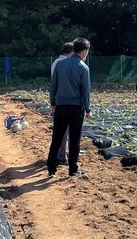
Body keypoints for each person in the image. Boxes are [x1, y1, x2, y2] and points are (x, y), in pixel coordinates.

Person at [47, 37, 93, 178]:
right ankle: (73, 170)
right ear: (84, 51)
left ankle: (51, 169)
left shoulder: (60, 64)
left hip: (60, 107)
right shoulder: (83, 67)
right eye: (87, 51)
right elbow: (85, 91)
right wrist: (88, 110)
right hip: (75, 108)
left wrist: (53, 104)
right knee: (74, 140)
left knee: (57, 138)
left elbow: (53, 86)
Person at [50, 42, 74, 165]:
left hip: (58, 100)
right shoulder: (67, 64)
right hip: (68, 101)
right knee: (67, 130)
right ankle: (63, 156)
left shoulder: (55, 62)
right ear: (72, 52)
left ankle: (60, 155)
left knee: (60, 130)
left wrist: (52, 102)